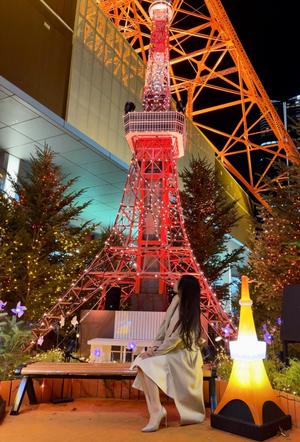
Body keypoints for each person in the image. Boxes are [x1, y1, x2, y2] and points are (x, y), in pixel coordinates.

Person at [131, 274, 205, 432]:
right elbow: (163, 329)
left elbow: (176, 339)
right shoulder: (175, 301)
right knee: (140, 362)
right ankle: (156, 411)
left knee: (146, 364)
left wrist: (155, 353)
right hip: (171, 351)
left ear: (184, 287)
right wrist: (153, 348)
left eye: (178, 281)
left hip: (184, 356)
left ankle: (157, 412)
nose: (174, 282)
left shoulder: (190, 310)